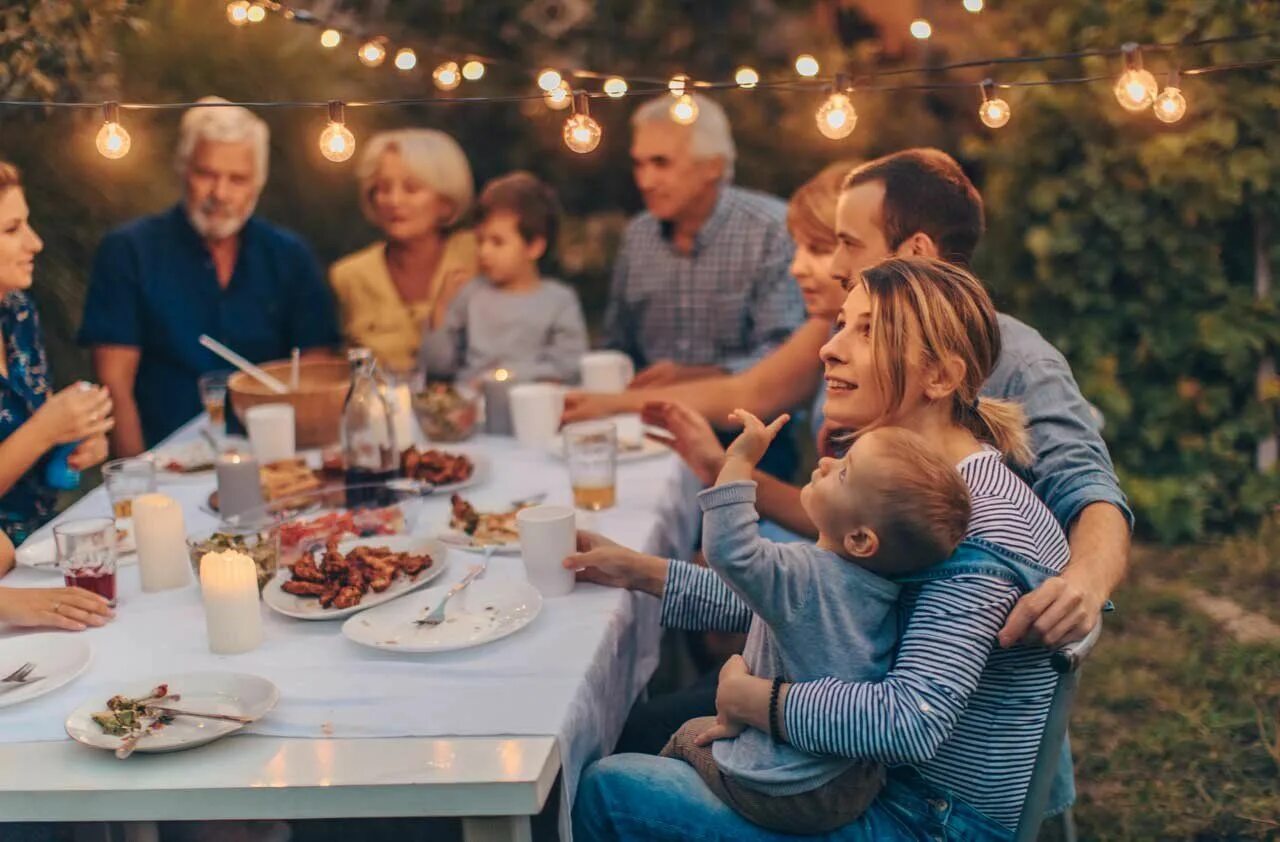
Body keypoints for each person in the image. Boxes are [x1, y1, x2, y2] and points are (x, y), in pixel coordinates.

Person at [572, 258, 1074, 840]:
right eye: (841, 324)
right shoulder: (910, 489)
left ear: (939, 376)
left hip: (924, 819)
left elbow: (911, 723)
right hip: (868, 785)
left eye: (868, 331)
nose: (829, 349)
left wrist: (756, 699)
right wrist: (640, 572)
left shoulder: (977, 523)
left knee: (610, 790)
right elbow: (811, 603)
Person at [578, 149, 1131, 650]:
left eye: (844, 244)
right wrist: (642, 567)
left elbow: (1088, 489)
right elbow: (832, 575)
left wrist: (1084, 582)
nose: (833, 267)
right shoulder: (861, 351)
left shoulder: (1016, 367)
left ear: (915, 252)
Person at [660, 413, 976, 834]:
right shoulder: (885, 589)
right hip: (850, 782)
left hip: (786, 789)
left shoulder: (803, 575)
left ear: (861, 539)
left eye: (844, 473)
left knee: (685, 737)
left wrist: (737, 464)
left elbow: (729, 550)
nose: (826, 463)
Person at [79, 97, 339, 454]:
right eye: (206, 174)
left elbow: (315, 370)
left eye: (237, 179)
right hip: (168, 459)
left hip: (276, 454)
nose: (220, 193)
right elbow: (114, 383)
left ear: (257, 184)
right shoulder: (129, 251)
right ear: (183, 170)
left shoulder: (289, 255)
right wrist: (140, 482)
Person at [604, 94, 806, 386]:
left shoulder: (771, 229)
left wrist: (691, 378)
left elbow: (785, 354)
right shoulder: (638, 235)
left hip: (750, 423)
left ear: (712, 167)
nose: (645, 181)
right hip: (645, 420)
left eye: (661, 163)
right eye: (639, 164)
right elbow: (617, 346)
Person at [0, 161, 113, 543]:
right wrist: (44, 431)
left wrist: (77, 438)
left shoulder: (17, 312)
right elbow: (36, 429)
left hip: (46, 538)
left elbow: (36, 422)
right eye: (12, 229)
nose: (35, 242)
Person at [330, 128, 479, 373]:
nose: (394, 201)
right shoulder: (348, 276)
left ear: (445, 201)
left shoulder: (478, 254)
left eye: (411, 188)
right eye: (383, 188)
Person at [418, 171, 587, 384]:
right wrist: (441, 310)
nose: (484, 252)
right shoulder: (470, 294)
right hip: (473, 405)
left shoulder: (559, 301)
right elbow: (438, 365)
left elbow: (568, 366)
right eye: (481, 241)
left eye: (497, 242)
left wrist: (505, 378)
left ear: (534, 246)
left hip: (533, 402)